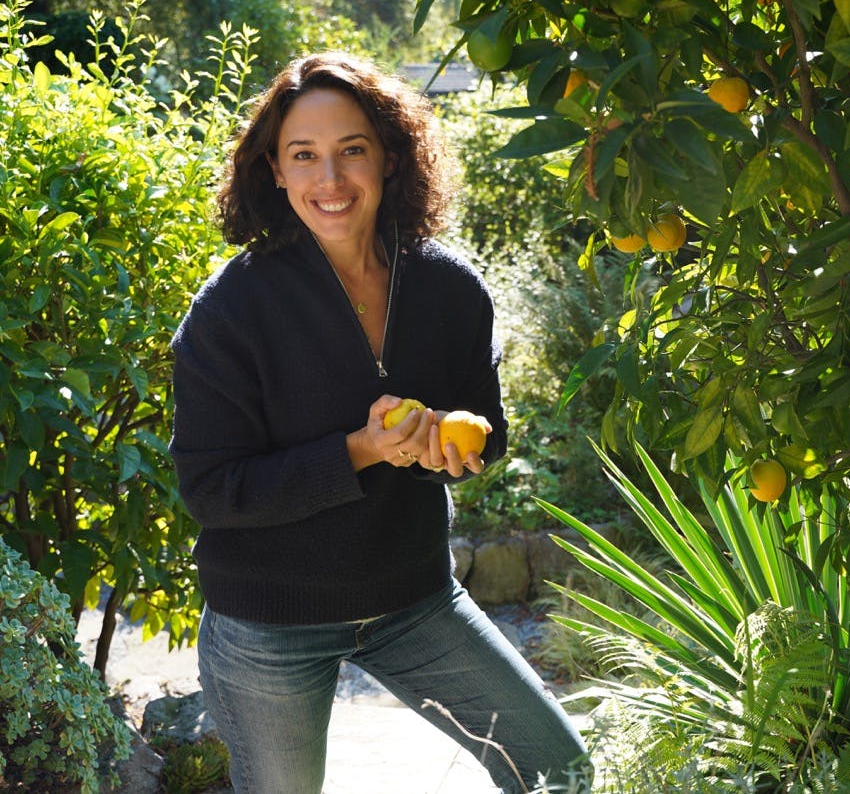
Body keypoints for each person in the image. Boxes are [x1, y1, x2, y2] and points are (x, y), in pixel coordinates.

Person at [168, 51, 590, 792]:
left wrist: (446, 447)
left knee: (559, 770)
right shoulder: (229, 312)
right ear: (274, 169)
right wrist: (360, 450)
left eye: (351, 151)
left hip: (413, 601)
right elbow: (212, 488)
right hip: (268, 621)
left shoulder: (449, 288)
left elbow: (486, 427)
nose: (329, 180)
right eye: (304, 156)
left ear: (390, 158)